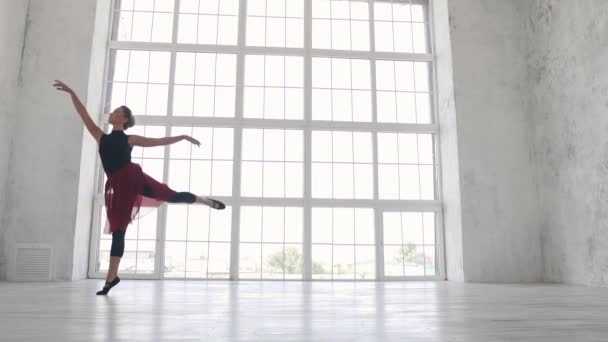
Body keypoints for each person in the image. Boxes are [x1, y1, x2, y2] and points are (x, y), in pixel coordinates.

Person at [53, 80, 225, 295]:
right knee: (118, 230)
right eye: (113, 110)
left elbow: (159, 141)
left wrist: (182, 137)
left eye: (117, 111)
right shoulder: (100, 136)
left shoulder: (130, 139)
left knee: (171, 195)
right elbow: (83, 114)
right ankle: (111, 277)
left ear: (124, 119)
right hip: (117, 187)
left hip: (134, 178)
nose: (112, 112)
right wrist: (72, 93)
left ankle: (204, 200)